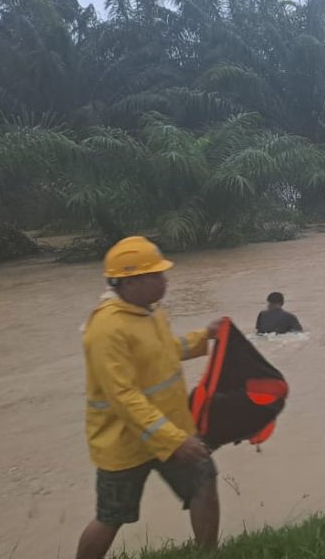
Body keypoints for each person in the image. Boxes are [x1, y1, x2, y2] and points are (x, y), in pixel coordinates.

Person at [76, 237, 222, 559]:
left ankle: (208, 555)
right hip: (125, 443)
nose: (164, 280)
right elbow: (124, 397)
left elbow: (165, 352)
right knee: (111, 517)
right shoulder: (106, 329)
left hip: (170, 430)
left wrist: (205, 336)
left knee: (204, 485)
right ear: (129, 282)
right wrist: (174, 440)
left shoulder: (150, 312)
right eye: (155, 275)